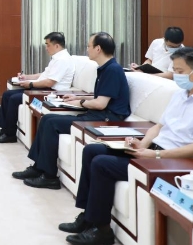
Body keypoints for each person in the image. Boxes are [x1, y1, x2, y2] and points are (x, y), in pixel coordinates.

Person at [60, 47, 193, 245]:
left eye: (180, 71)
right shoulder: (180, 95)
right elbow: (159, 126)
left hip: (172, 161)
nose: (176, 76)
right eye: (175, 70)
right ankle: (87, 217)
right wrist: (142, 144)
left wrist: (156, 156)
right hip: (153, 151)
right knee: (92, 150)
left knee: (101, 164)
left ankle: (102, 230)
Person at [12, 32, 131, 190]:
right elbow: (100, 97)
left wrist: (80, 102)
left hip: (107, 119)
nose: (87, 49)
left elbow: (101, 104)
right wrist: (78, 98)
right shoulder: (105, 68)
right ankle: (38, 167)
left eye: (89, 46)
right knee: (47, 119)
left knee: (51, 123)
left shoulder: (113, 70)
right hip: (98, 114)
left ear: (98, 49)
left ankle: (49, 177)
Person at [0, 32, 75, 143]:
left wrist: (30, 84)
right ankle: (4, 129)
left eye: (48, 45)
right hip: (43, 88)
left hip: (51, 93)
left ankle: (10, 134)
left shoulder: (62, 60)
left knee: (14, 99)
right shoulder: (57, 58)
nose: (46, 48)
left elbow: (49, 82)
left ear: (57, 46)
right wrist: (26, 77)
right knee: (7, 94)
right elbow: (44, 75)